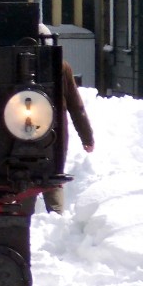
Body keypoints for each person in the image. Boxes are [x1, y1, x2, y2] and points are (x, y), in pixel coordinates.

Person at [44, 59, 95, 213]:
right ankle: (56, 216)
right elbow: (75, 105)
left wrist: (87, 137)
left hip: (19, 128)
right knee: (53, 175)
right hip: (54, 130)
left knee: (25, 177)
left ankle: (25, 215)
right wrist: (87, 137)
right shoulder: (59, 64)